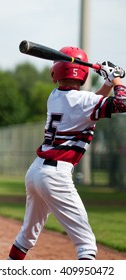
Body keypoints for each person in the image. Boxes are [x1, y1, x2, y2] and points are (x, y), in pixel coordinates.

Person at [7, 46, 125, 260]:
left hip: (35, 172)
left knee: (27, 235)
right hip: (56, 176)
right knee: (86, 244)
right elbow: (121, 103)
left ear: (57, 71)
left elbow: (91, 106)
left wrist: (108, 82)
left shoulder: (55, 97)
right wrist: (116, 80)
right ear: (83, 74)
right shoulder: (84, 102)